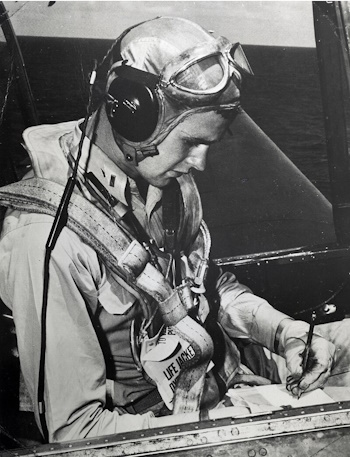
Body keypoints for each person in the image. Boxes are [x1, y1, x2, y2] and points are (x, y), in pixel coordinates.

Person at [0, 16, 349, 443]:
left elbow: (207, 289)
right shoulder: (45, 240)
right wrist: (235, 431)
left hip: (230, 372)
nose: (200, 164)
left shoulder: (168, 182)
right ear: (133, 114)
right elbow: (75, 434)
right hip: (164, 425)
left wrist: (285, 333)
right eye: (190, 143)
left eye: (208, 145)